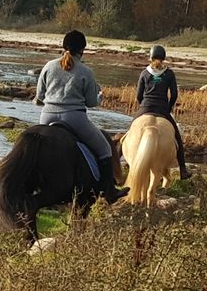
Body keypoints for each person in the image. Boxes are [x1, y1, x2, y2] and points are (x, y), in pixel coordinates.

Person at [34, 30, 128, 204]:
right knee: (104, 149)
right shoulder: (86, 71)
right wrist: (99, 96)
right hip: (74, 118)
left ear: (64, 47)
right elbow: (91, 102)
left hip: (46, 117)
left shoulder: (48, 66)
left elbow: (39, 95)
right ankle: (109, 191)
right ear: (82, 50)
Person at [135, 45, 190, 179]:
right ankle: (183, 169)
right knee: (177, 137)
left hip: (145, 108)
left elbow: (138, 95)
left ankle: (115, 172)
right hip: (162, 110)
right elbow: (175, 94)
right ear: (163, 58)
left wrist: (143, 106)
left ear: (151, 57)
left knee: (126, 134)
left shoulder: (144, 73)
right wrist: (169, 107)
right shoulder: (169, 74)